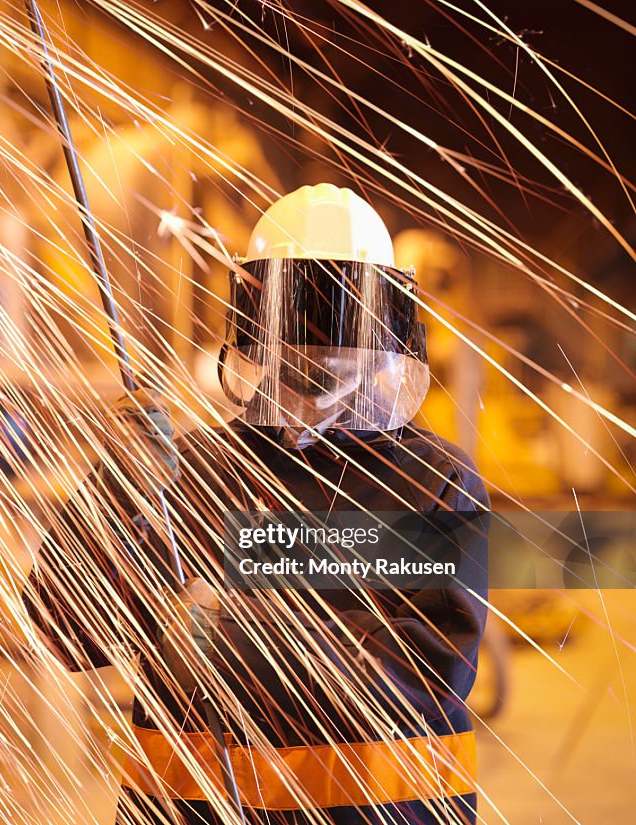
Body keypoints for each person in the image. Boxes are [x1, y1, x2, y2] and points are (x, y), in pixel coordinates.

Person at [24, 183, 489, 824]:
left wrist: (215, 631)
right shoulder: (192, 474)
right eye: (307, 333)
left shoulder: (435, 482)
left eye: (336, 332)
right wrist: (116, 491)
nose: (321, 360)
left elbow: (419, 673)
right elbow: (66, 631)